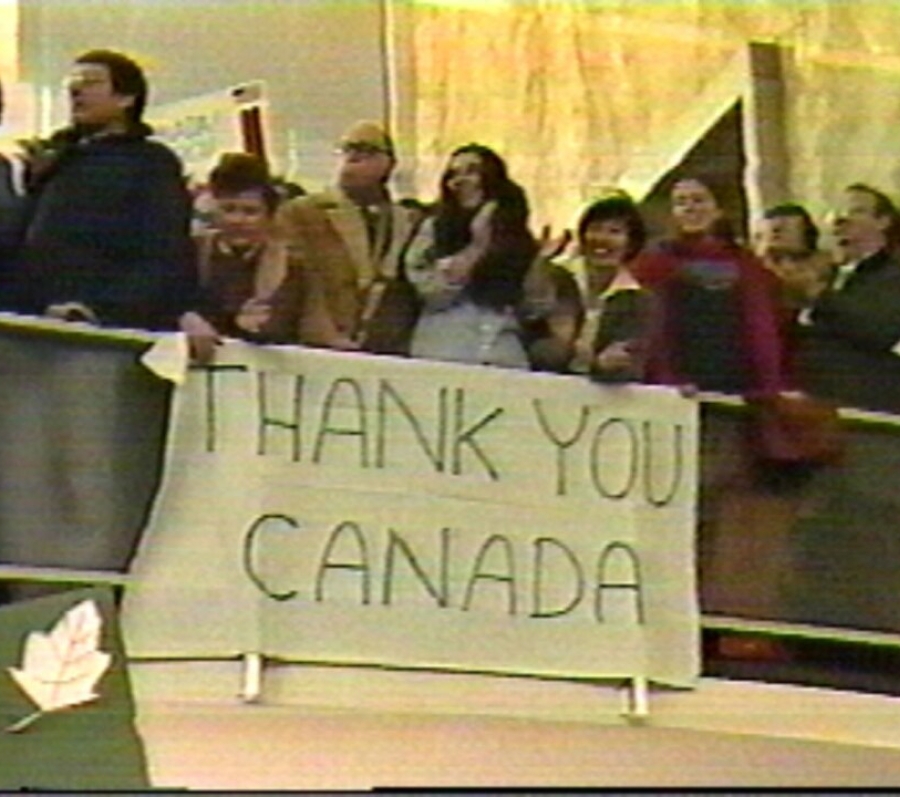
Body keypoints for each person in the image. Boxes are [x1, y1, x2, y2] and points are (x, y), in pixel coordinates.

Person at [8, 50, 197, 333]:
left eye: (92, 82)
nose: (76, 89)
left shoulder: (150, 162)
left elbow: (162, 249)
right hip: (36, 318)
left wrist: (102, 307)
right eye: (72, 82)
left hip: (105, 325)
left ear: (126, 98)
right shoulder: (57, 159)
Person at [634, 173, 790, 396]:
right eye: (681, 202)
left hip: (741, 387)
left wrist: (770, 386)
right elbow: (648, 328)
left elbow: (764, 330)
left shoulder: (748, 267)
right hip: (679, 388)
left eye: (699, 200)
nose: (690, 208)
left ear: (718, 209)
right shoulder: (654, 264)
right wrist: (665, 381)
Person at [273, 120, 419, 355]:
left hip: (385, 347)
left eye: (366, 151)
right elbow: (293, 278)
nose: (353, 158)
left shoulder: (407, 220)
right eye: (347, 150)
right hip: (318, 345)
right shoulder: (303, 212)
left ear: (389, 163)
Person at [403, 143, 545, 369]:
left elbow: (534, 308)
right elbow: (432, 293)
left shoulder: (517, 237)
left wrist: (537, 262)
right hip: (444, 352)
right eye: (453, 175)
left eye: (471, 171)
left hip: (503, 354)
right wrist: (477, 247)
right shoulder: (433, 229)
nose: (461, 181)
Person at [193, 152, 330, 343]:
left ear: (269, 216)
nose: (237, 220)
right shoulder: (193, 254)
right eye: (228, 209)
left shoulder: (293, 266)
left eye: (250, 212)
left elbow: (312, 326)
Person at [795, 183, 900, 415]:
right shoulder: (829, 275)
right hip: (815, 405)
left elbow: (879, 329)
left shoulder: (893, 275)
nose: (840, 220)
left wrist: (820, 296)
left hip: (868, 407)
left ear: (883, 221)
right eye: (837, 213)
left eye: (856, 211)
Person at [537, 192, 651, 380]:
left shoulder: (636, 299)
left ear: (631, 244)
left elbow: (632, 366)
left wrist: (603, 366)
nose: (602, 238)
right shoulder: (554, 275)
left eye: (614, 231)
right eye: (596, 229)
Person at [756, 203, 833, 312]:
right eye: (772, 231)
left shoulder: (823, 268)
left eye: (782, 228)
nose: (775, 234)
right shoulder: (753, 269)